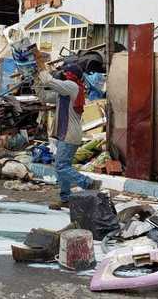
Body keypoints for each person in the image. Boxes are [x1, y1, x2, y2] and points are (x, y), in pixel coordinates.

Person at [34, 60, 102, 209]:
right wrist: (36, 80)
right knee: (62, 167)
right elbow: (44, 97)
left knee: (61, 166)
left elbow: (49, 81)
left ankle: (88, 183)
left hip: (70, 134)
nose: (62, 74)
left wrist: (40, 69)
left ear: (70, 75)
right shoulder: (63, 93)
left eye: (65, 72)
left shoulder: (72, 87)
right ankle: (65, 199)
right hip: (65, 134)